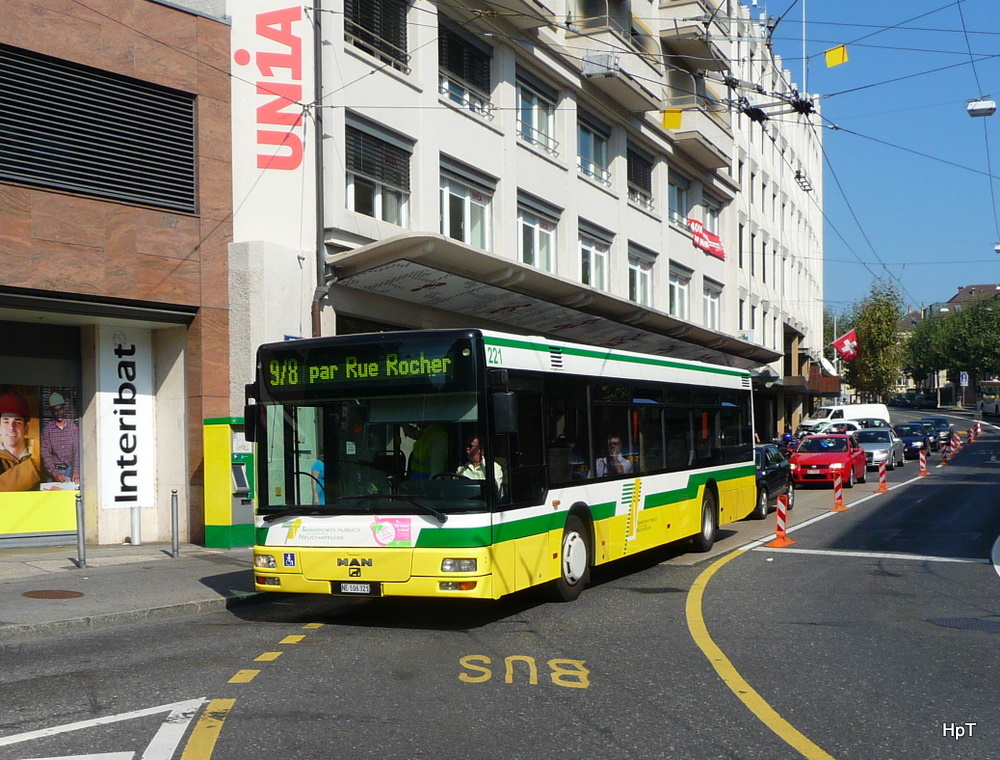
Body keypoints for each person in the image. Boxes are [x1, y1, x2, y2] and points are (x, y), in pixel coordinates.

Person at [0, 392, 41, 492]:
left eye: (17, 422)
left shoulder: (40, 457)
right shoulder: (37, 462)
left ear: (26, 429)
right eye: (6, 421)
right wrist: (34, 466)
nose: (11, 427)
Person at [40, 391, 80, 484]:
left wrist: (76, 470)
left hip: (71, 470)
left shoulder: (72, 427)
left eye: (60, 409)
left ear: (64, 408)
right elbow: (45, 454)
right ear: (51, 412)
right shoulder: (47, 430)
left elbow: (77, 450)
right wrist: (55, 473)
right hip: (55, 471)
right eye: (55, 410)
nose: (59, 413)